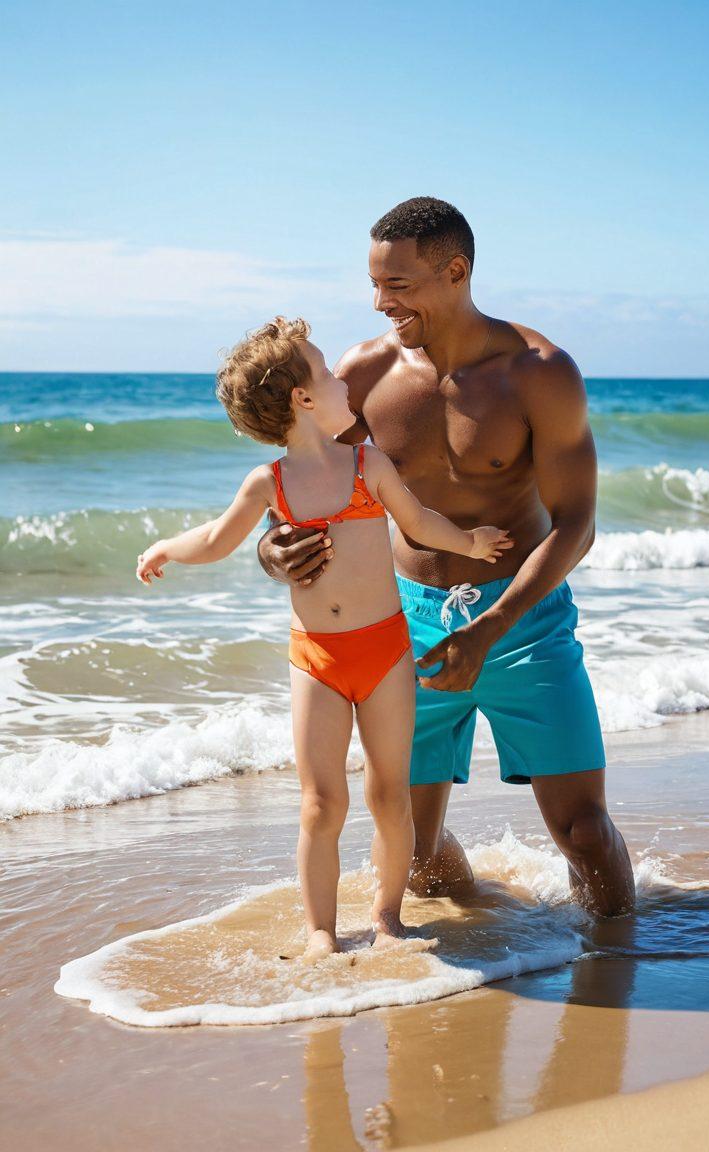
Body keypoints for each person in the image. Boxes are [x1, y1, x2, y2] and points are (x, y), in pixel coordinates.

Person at [259, 198, 635, 917]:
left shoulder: (540, 373)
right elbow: (315, 488)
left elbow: (577, 524)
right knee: (420, 858)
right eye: (374, 285)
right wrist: (274, 547)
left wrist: (491, 626)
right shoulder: (365, 373)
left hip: (523, 625)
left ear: (455, 272)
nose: (379, 304)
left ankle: (617, 964)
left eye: (397, 286)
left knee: (584, 834)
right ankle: (488, 946)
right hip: (406, 628)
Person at [136, 317, 512, 959]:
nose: (343, 381)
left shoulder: (369, 464)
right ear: (302, 400)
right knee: (319, 803)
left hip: (386, 651)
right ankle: (320, 931)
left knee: (389, 793)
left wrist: (471, 542)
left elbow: (419, 524)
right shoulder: (270, 483)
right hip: (317, 659)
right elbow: (218, 539)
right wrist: (167, 547)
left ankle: (388, 917)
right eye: (328, 373)